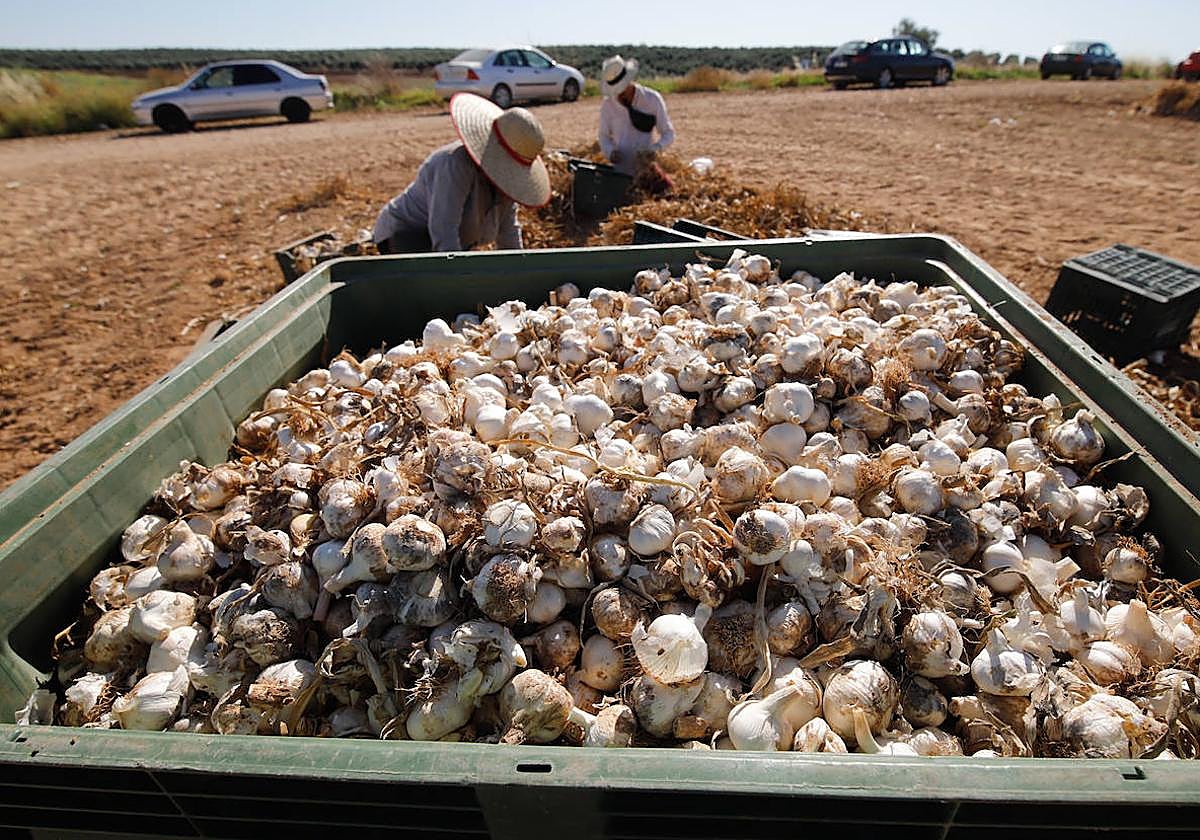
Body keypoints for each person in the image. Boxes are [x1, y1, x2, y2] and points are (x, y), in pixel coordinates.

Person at [372, 92, 551, 254]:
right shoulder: (454, 164)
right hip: (407, 234)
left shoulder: (508, 183)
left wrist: (519, 270)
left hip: (451, 240)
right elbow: (444, 230)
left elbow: (508, 230)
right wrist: (458, 278)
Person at [597, 55, 676, 177]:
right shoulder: (608, 106)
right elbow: (603, 136)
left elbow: (668, 133)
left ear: (629, 81)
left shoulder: (652, 99)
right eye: (616, 92)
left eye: (622, 90)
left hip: (647, 170)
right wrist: (611, 152)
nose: (619, 95)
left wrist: (655, 149)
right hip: (620, 172)